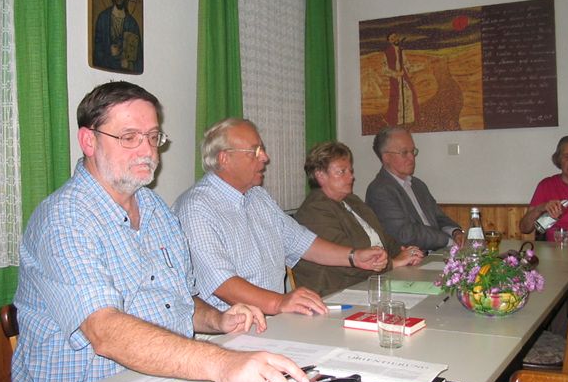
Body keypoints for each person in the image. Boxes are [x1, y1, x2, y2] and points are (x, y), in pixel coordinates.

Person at [12, 83, 309, 382]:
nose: (147, 151)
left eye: (153, 137)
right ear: (89, 141)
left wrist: (219, 320)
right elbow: (104, 332)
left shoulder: (154, 208)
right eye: (129, 137)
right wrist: (222, 363)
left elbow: (180, 301)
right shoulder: (64, 219)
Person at [172, 118, 388, 315]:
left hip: (271, 320)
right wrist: (280, 302)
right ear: (225, 158)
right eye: (255, 151)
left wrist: (354, 257)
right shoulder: (196, 208)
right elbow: (222, 284)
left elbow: (302, 242)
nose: (265, 158)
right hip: (229, 330)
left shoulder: (258, 197)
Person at [294, 141, 425, 296]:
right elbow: (345, 261)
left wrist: (406, 253)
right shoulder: (314, 210)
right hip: (335, 292)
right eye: (342, 172)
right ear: (320, 176)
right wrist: (394, 263)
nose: (351, 177)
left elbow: (381, 237)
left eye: (350, 170)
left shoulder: (352, 201)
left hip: (371, 281)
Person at [366, 126, 464, 251]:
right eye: (404, 153)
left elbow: (439, 218)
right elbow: (405, 235)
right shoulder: (379, 191)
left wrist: (455, 232)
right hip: (411, 259)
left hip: (437, 251)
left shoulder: (418, 185)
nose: (412, 158)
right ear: (386, 157)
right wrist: (448, 241)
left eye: (413, 151)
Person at [93, 0, 143, 73]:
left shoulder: (132, 24)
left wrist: (129, 65)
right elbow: (97, 56)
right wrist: (110, 52)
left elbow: (140, 61)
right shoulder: (103, 19)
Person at [384, 33, 420, 126]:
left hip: (404, 78)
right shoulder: (387, 52)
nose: (395, 39)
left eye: (395, 37)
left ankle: (408, 118)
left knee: (409, 94)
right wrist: (396, 73)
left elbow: (407, 64)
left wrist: (418, 67)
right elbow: (384, 69)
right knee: (397, 98)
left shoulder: (401, 51)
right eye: (392, 38)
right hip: (396, 79)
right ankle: (397, 120)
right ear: (389, 41)